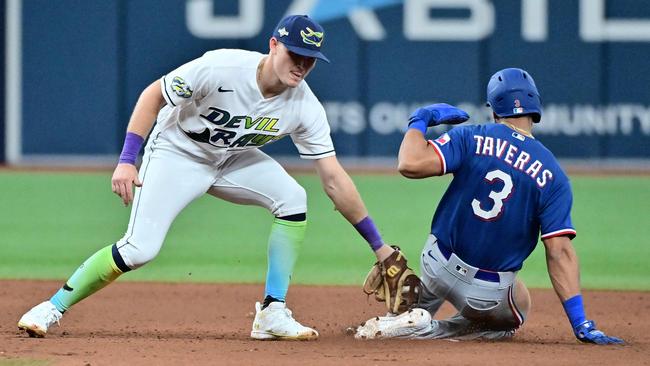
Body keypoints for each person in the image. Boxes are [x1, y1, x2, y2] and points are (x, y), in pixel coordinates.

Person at [18, 14, 397, 341]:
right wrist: (127, 160)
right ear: (273, 46)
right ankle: (52, 307)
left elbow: (333, 179)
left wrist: (379, 247)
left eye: (310, 60)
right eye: (295, 54)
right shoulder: (221, 68)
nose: (301, 65)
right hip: (177, 152)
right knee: (139, 249)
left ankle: (271, 312)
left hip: (230, 157)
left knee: (294, 200)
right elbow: (153, 96)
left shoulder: (304, 106)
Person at [355, 68, 624, 345]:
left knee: (432, 279)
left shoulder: (471, 137)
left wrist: (419, 120)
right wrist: (580, 322)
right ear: (535, 109)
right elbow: (560, 252)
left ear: (495, 109)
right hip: (486, 294)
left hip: (436, 265)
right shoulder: (554, 175)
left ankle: (408, 315)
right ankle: (430, 328)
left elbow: (409, 163)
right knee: (518, 309)